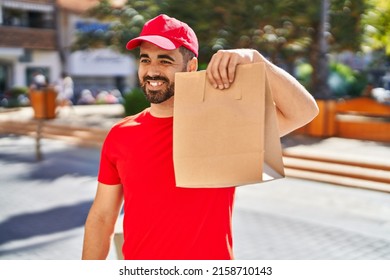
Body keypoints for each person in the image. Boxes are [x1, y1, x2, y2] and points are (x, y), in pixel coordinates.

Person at [82, 14, 319, 260]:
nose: (152, 71)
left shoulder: (222, 125)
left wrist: (254, 59)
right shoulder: (120, 135)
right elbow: (102, 218)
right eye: (145, 59)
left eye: (165, 61)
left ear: (191, 67)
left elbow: (304, 112)